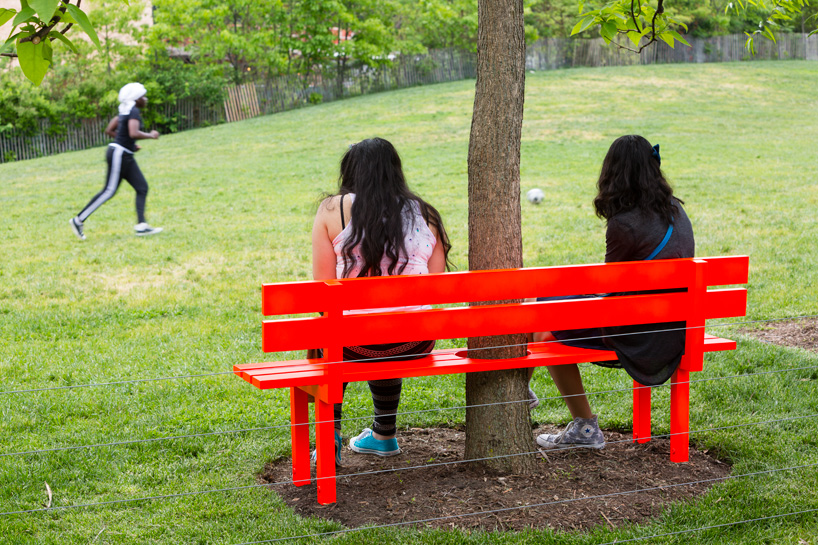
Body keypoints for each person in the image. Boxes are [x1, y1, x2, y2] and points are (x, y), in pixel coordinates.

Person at [529, 135, 695, 450]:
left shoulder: (623, 223)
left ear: (613, 173)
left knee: (544, 330)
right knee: (546, 306)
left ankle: (584, 430)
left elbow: (609, 288)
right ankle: (524, 394)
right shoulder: (676, 210)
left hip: (637, 332)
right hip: (676, 326)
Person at [311, 137, 451, 464]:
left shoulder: (333, 209)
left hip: (351, 344)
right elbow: (436, 288)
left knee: (332, 331)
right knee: (390, 322)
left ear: (351, 172)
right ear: (395, 172)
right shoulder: (426, 214)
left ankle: (329, 435)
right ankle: (384, 436)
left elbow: (321, 289)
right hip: (415, 342)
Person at [69, 82, 163, 240]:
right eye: (143, 96)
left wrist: (130, 146)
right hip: (119, 155)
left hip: (124, 154)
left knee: (142, 187)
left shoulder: (124, 110)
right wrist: (151, 135)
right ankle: (78, 220)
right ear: (136, 98)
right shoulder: (133, 111)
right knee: (109, 191)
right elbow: (133, 132)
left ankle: (142, 226)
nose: (145, 99)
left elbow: (110, 130)